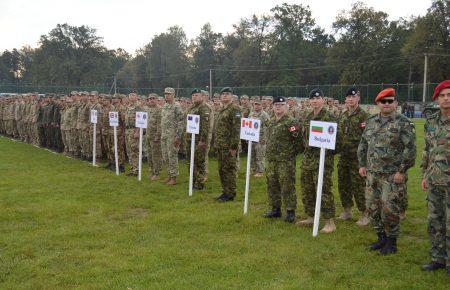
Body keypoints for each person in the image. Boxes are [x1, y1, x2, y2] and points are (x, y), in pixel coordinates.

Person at [358, 88, 416, 255]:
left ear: (396, 103)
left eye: (390, 101)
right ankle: (381, 238)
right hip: (372, 174)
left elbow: (410, 149)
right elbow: (363, 144)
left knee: (389, 209)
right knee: (372, 207)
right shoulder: (371, 121)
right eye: (384, 101)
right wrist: (362, 165)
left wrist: (402, 171)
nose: (387, 104)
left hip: (392, 176)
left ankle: (392, 242)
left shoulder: (403, 122)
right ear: (378, 103)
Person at [296, 89, 338, 233]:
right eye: (312, 99)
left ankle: (329, 221)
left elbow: (338, 142)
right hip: (308, 159)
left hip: (323, 160)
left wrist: (327, 153)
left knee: (324, 190)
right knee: (307, 189)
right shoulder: (308, 117)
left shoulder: (329, 117)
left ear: (323, 100)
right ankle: (311, 216)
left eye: (317, 98)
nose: (314, 101)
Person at [421, 80, 450, 273]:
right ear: (437, 98)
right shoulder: (431, 121)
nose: (447, 99)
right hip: (433, 180)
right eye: (443, 95)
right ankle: (438, 258)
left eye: (449, 95)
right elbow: (427, 149)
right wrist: (424, 174)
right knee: (435, 220)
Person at [263, 96, 302, 222]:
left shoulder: (291, 122)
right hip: (271, 160)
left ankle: (290, 211)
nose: (278, 107)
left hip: (285, 160)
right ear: (273, 107)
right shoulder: (271, 121)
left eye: (281, 105)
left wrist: (289, 154)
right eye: (276, 105)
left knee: (287, 185)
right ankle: (276, 209)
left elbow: (299, 142)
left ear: (286, 106)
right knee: (272, 184)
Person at [336, 87, 370, 226]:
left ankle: (365, 213)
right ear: (345, 99)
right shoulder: (343, 115)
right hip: (344, 156)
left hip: (358, 158)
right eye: (348, 97)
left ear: (358, 98)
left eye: (353, 97)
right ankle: (347, 211)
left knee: (359, 186)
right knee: (343, 184)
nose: (350, 99)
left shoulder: (364, 116)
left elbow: (368, 138)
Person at [214, 87, 242, 202]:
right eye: (223, 94)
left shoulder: (234, 109)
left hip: (229, 146)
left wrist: (234, 146)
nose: (224, 96)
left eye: (227, 94)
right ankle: (225, 191)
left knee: (229, 169)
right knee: (222, 169)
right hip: (221, 145)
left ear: (232, 96)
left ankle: (230, 193)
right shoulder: (223, 108)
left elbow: (236, 129)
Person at [184, 89, 213, 190]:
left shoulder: (204, 108)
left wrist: (203, 140)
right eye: (193, 95)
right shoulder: (191, 107)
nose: (194, 97)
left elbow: (206, 126)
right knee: (190, 160)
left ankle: (200, 183)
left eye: (196, 95)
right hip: (190, 138)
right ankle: (193, 180)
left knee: (199, 161)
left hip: (199, 140)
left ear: (202, 96)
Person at [160, 87, 184, 185]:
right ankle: (169, 175)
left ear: (173, 95)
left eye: (169, 94)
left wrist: (178, 137)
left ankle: (174, 178)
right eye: (165, 93)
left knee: (172, 156)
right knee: (165, 156)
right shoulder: (165, 106)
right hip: (164, 135)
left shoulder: (176, 106)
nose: (167, 95)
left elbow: (181, 122)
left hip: (172, 136)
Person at [248, 96, 270, 177]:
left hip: (261, 139)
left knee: (259, 156)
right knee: (252, 155)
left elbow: (268, 127)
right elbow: (248, 125)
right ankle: (253, 169)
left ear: (261, 106)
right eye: (255, 104)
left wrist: (265, 138)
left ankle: (260, 171)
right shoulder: (251, 114)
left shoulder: (264, 115)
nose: (256, 106)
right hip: (252, 138)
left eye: (258, 105)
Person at [145, 93, 163, 181]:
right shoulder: (147, 109)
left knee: (156, 155)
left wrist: (158, 135)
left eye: (153, 98)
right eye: (150, 98)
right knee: (149, 155)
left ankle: (157, 173)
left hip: (155, 137)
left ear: (156, 100)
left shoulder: (159, 109)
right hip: (148, 136)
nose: (151, 100)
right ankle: (151, 171)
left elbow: (160, 124)